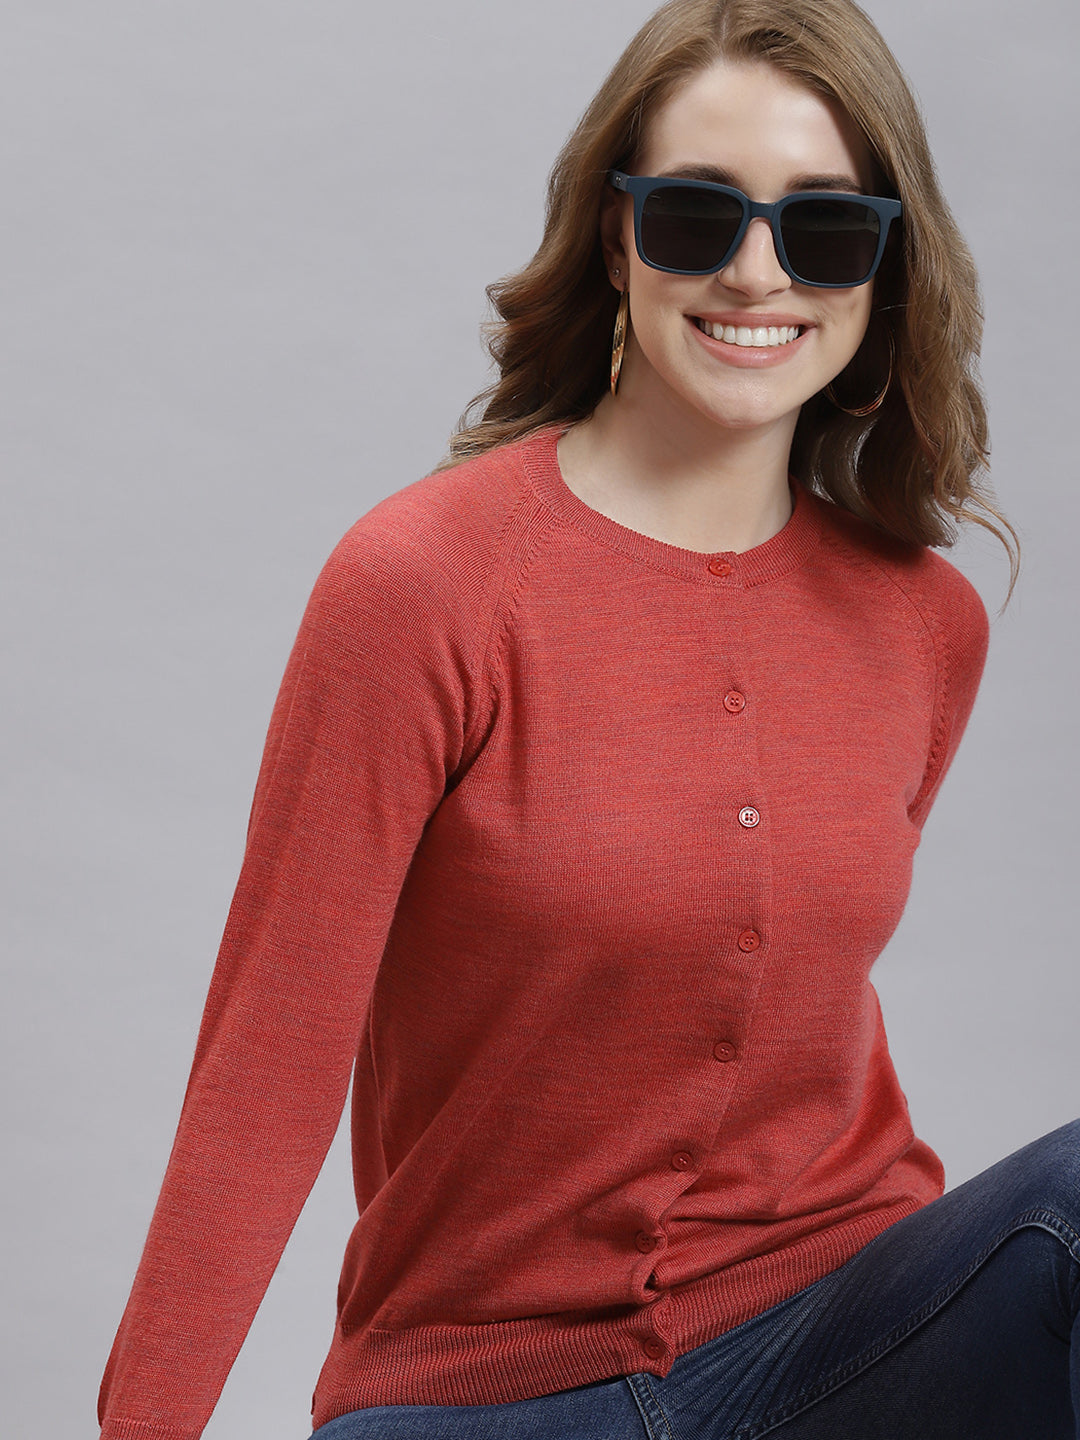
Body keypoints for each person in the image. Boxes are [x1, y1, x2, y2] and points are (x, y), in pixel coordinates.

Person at [97, 1, 1080, 1437]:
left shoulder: (926, 624)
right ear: (616, 239)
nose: (756, 272)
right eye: (695, 214)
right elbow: (267, 1065)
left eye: (824, 228)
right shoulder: (425, 586)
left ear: (884, 268)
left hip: (841, 1344)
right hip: (486, 1388)